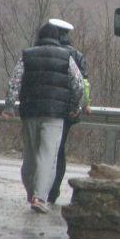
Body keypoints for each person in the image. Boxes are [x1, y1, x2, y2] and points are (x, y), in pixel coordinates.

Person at [1, 22, 84, 213]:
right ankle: (39, 197)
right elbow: (78, 84)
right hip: (55, 115)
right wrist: (75, 107)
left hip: (30, 112)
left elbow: (15, 81)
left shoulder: (27, 55)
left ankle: (31, 193)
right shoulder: (66, 57)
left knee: (30, 156)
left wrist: (9, 106)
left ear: (39, 37)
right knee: (48, 155)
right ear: (57, 38)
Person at [46, 18, 92, 204]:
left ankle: (42, 188)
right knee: (60, 149)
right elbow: (84, 84)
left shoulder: (45, 50)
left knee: (46, 148)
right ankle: (54, 189)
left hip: (48, 107)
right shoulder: (77, 55)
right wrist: (85, 104)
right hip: (68, 110)